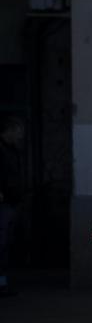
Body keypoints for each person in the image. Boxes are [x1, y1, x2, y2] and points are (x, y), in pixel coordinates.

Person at [0, 117, 24, 297]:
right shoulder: (3, 150)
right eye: (17, 131)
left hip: (11, 200)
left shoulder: (11, 150)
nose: (20, 135)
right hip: (4, 202)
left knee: (6, 244)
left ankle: (3, 283)